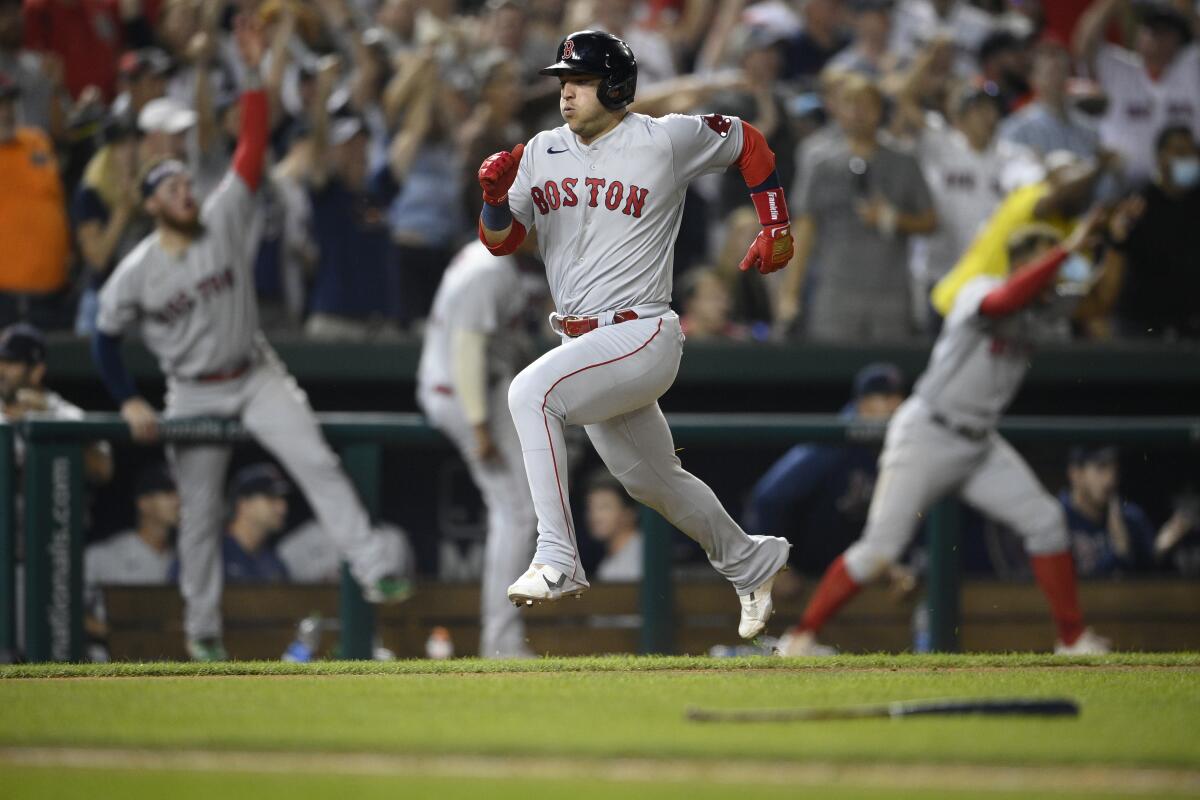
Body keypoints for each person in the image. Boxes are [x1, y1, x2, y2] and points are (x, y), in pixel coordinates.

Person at [90, 17, 408, 663]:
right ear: (152, 203)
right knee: (200, 515)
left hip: (253, 373)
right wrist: (126, 397)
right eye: (172, 187)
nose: (186, 191)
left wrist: (260, 71)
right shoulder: (137, 270)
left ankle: (374, 568)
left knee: (314, 460)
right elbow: (102, 337)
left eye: (186, 182)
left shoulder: (223, 215)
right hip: (192, 393)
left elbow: (253, 143)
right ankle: (202, 629)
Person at [476, 30, 794, 641]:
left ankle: (558, 558)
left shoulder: (663, 137)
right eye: (563, 81)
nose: (567, 92)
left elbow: (747, 142)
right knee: (652, 481)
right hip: (584, 344)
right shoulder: (542, 150)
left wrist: (775, 221)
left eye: (581, 82)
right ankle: (750, 560)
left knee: (530, 393)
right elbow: (501, 242)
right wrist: (493, 201)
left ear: (616, 86)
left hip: (642, 331)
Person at [777, 214, 1121, 657]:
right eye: (1044, 264)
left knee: (1045, 521)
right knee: (879, 549)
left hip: (979, 442)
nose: (1053, 273)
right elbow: (1003, 303)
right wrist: (1066, 251)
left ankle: (1072, 640)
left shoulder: (1043, 306)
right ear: (1020, 264)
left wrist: (1114, 246)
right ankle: (801, 638)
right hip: (928, 431)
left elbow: (1097, 301)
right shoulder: (979, 288)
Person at [416, 237, 540, 658]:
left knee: (521, 512)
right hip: (463, 395)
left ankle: (501, 638)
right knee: (517, 512)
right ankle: (501, 642)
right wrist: (478, 426)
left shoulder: (488, 258)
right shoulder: (488, 271)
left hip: (483, 388)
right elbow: (466, 350)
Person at [778, 75, 937, 340]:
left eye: (866, 105)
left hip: (891, 295)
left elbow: (931, 221)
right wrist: (789, 295)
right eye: (850, 104)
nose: (857, 112)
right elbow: (804, 229)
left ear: (879, 111)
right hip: (835, 292)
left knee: (889, 374)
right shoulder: (820, 162)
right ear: (837, 110)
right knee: (831, 372)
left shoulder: (903, 161)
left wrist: (892, 219)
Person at [745, 363, 905, 577]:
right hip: (808, 572)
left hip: (852, 569)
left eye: (899, 398)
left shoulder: (895, 449)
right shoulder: (832, 445)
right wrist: (774, 566)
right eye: (885, 398)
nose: (896, 406)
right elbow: (767, 500)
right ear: (863, 405)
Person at [1074, 0, 1199, 183]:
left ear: (1178, 39)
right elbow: (1085, 44)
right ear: (1137, 35)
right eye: (1151, 31)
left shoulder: (1189, 68)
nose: (1157, 39)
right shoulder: (1119, 69)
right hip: (1125, 186)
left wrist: (1186, 8)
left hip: (1184, 188)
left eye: (1166, 32)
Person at [83, 463, 178, 659]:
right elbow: (70, 612)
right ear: (144, 503)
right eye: (168, 492)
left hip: (165, 665)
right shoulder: (104, 555)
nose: (178, 500)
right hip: (110, 665)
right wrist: (120, 635)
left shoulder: (183, 560)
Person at [1113, 125, 1200, 339]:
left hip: (1191, 320)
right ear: (1161, 157)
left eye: (1193, 152)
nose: (1189, 159)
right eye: (1180, 153)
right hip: (1142, 321)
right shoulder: (1137, 201)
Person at [0, 72, 71, 328]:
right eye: (0, 104)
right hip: (5, 301)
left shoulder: (37, 141)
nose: (6, 111)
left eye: (9, 102)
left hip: (53, 296)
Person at [0, 323, 112, 484]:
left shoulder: (62, 413)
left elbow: (102, 469)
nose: (1, 370)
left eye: (11, 362)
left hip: (53, 506)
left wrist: (46, 421)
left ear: (37, 371)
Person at [997, 38, 1099, 160]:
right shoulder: (1016, 128)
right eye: (1050, 73)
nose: (1057, 79)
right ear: (1032, 79)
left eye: (1062, 70)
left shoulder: (1087, 127)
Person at [1060, 446, 1155, 578]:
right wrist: (1118, 551)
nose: (1111, 478)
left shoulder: (1131, 518)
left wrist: (1161, 549)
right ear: (1076, 474)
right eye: (1101, 467)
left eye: (1115, 469)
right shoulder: (1057, 518)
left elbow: (1150, 577)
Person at [220, 463, 291, 584]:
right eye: (271, 498)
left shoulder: (274, 563)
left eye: (282, 499)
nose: (282, 508)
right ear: (244, 504)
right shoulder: (215, 553)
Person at [585, 471, 643, 582]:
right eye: (591, 508)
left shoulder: (643, 555)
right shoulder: (608, 562)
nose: (595, 516)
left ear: (629, 513)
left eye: (604, 507)